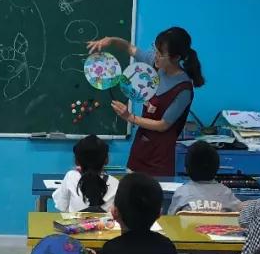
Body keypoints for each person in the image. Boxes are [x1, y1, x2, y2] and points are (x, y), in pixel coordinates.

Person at [87, 27, 204, 176]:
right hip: (140, 149)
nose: (155, 56)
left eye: (160, 54)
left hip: (160, 158)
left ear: (176, 57)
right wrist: (111, 40)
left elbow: (163, 125)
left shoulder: (183, 89)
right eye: (155, 50)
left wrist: (130, 117)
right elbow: (129, 48)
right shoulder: (155, 64)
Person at [169, 140, 242, 214]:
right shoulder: (226, 193)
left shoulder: (181, 193)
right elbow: (240, 214)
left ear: (186, 169)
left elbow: (170, 218)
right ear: (217, 168)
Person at [52, 134, 119, 213]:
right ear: (106, 160)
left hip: (74, 221)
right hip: (107, 221)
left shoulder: (71, 176)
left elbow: (61, 206)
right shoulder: (116, 183)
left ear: (76, 161)